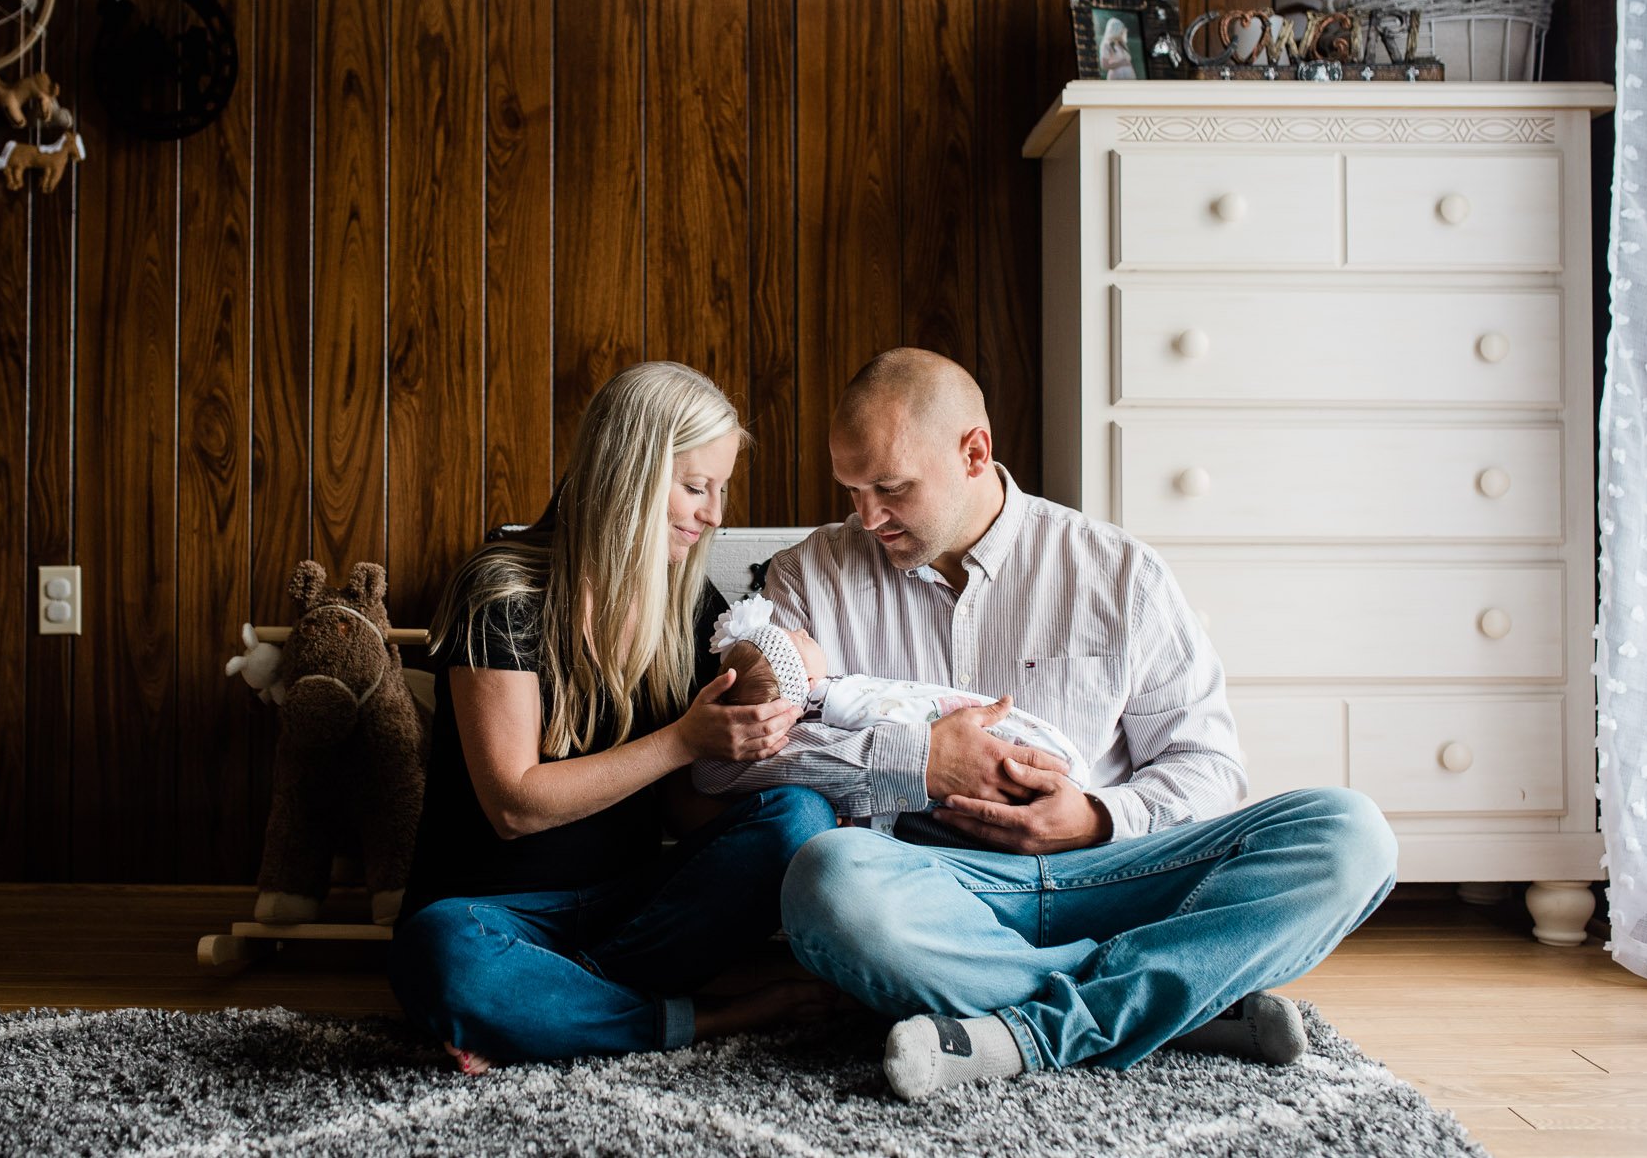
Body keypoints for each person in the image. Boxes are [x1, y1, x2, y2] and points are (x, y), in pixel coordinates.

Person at [693, 348, 1398, 1100]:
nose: (869, 516)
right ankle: (1169, 1000)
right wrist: (916, 759)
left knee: (1350, 834)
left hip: (1117, 876)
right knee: (826, 882)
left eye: (892, 487)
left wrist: (1096, 817)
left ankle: (1024, 1026)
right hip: (935, 892)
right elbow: (733, 766)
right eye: (854, 490)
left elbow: (1210, 769)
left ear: (975, 452)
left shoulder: (1120, 571)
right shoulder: (808, 578)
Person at [390, 361, 837, 1074]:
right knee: (442, 952)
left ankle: (554, 1005)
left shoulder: (687, 605)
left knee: (799, 821)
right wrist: (684, 737)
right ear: (630, 472)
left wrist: (771, 738)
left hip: (627, 913)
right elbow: (513, 805)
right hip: (493, 917)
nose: (715, 513)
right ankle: (704, 1017)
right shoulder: (502, 590)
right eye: (697, 487)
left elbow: (685, 807)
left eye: (720, 489)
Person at [708, 595, 1090, 836]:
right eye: (795, 640)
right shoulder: (836, 700)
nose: (802, 629)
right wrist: (923, 755)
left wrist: (1092, 818)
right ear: (806, 681)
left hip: (1075, 812)